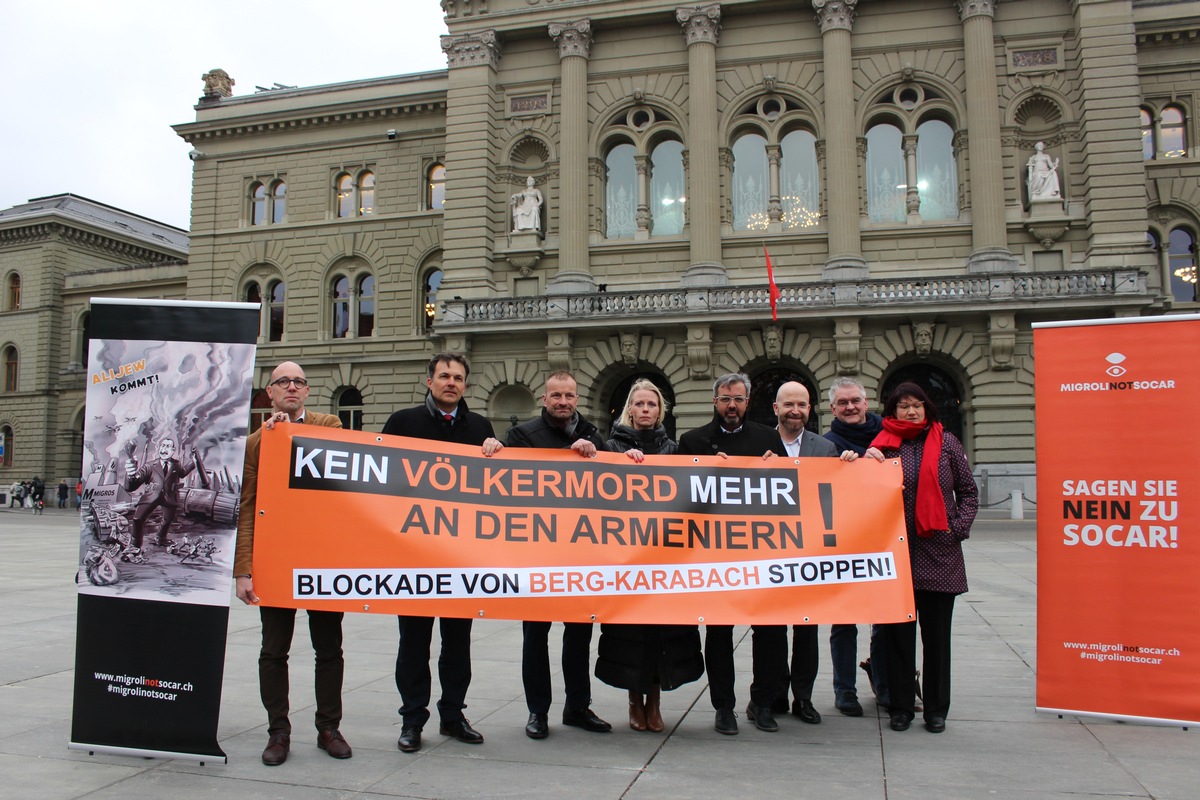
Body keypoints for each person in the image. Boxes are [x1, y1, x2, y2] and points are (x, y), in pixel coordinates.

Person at [381, 353, 505, 754]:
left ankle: (453, 715)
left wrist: (496, 451)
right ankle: (412, 719)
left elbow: (496, 489)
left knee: (458, 643)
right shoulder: (402, 423)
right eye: (444, 376)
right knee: (413, 643)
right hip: (413, 556)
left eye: (458, 377)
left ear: (465, 385)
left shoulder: (480, 428)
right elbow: (377, 477)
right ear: (429, 380)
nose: (451, 382)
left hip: (460, 560)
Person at [234, 361, 353, 765]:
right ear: (269, 393)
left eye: (298, 382)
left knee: (329, 648)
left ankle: (328, 727)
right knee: (273, 650)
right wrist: (243, 570)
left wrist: (285, 433)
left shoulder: (328, 424)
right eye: (282, 381)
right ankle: (278, 731)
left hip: (320, 558)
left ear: (306, 391)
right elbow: (246, 507)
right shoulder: (254, 444)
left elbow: (332, 453)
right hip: (276, 559)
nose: (291, 387)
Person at [864, 382, 978, 734]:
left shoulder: (946, 443)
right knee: (898, 639)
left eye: (917, 406)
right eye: (903, 406)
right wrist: (863, 463)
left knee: (937, 639)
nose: (911, 412)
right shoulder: (881, 445)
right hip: (895, 556)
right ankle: (900, 707)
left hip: (939, 555)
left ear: (927, 409)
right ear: (892, 411)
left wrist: (955, 528)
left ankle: (936, 709)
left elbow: (969, 492)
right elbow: (862, 494)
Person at [677, 372, 786, 735]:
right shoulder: (692, 442)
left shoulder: (768, 438)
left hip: (760, 554)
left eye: (738, 399)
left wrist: (778, 465)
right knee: (719, 634)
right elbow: (677, 501)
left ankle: (763, 702)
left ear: (748, 401)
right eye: (725, 398)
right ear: (715, 402)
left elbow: (793, 488)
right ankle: (724, 706)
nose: (732, 405)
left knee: (770, 632)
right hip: (714, 557)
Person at [506, 370, 612, 739]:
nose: (563, 402)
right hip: (538, 554)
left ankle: (577, 707)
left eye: (569, 396)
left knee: (580, 635)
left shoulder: (593, 435)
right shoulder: (523, 435)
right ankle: (537, 712)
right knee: (535, 637)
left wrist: (597, 454)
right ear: (544, 398)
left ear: (577, 399)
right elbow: (509, 482)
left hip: (580, 554)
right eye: (556, 396)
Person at [597, 379, 704, 733]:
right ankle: (633, 700)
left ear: (661, 411)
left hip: (666, 562)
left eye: (652, 405)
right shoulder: (610, 446)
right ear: (630, 408)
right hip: (627, 561)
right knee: (632, 635)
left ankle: (654, 701)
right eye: (639, 404)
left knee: (662, 635)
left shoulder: (674, 450)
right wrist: (618, 464)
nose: (645, 410)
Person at [745, 381, 838, 733]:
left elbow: (835, 495)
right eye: (788, 404)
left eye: (801, 404)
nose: (795, 410)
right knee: (768, 630)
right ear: (775, 409)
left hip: (809, 554)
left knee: (806, 629)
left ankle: (803, 697)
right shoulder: (757, 445)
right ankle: (764, 701)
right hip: (766, 553)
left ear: (810, 408)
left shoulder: (825, 447)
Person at [823, 377, 887, 715]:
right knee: (844, 622)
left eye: (856, 401)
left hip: (885, 541)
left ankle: (884, 681)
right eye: (843, 403)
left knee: (886, 618)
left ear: (866, 403)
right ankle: (844, 690)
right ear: (833, 409)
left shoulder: (889, 438)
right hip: (844, 544)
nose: (850, 407)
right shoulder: (827, 444)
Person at [124, 438, 194, 556]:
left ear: (172, 450)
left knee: (167, 520)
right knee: (138, 519)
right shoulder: (150, 466)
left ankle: (161, 538)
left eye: (167, 446)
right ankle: (134, 545)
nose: (164, 449)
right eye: (162, 446)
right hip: (152, 495)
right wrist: (130, 475)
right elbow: (132, 486)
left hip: (170, 497)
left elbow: (183, 472)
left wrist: (193, 462)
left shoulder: (176, 464)